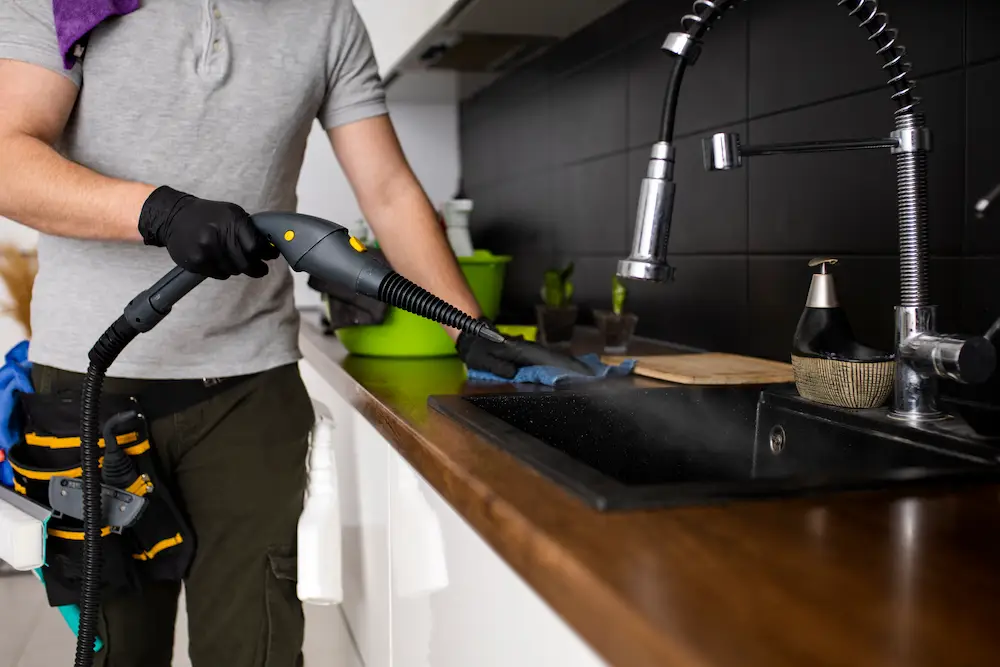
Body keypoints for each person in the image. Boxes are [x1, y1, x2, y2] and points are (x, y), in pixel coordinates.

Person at [0, 1, 563, 665]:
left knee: (257, 649)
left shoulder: (326, 18)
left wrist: (467, 327)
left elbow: (387, 189)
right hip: (89, 387)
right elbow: (9, 156)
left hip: (250, 392)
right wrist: (157, 212)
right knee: (117, 649)